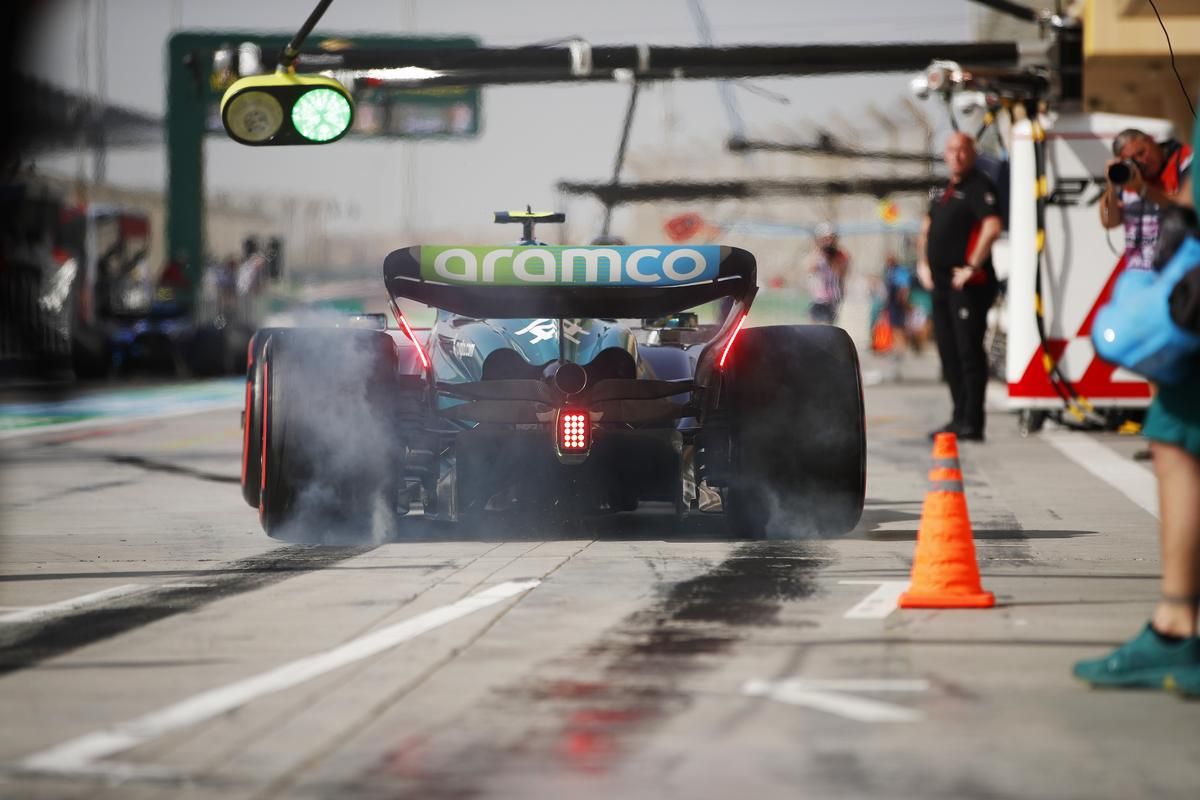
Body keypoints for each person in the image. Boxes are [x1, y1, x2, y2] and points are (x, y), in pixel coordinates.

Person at [1073, 126, 1200, 696]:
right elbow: (1109, 221)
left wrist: (1152, 189)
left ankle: (1176, 624)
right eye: (1123, 159)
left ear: (1151, 145)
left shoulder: (1180, 165)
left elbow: (1187, 209)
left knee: (1177, 439)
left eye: (1137, 154)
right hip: (1158, 286)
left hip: (1183, 286)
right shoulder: (1129, 183)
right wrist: (1116, 187)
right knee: (1169, 426)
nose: (1133, 163)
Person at [917, 132, 1004, 442]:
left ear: (972, 153)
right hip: (940, 285)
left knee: (968, 351)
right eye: (951, 149)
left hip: (968, 285)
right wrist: (923, 265)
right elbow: (926, 229)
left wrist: (971, 267)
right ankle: (957, 416)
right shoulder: (943, 190)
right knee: (949, 353)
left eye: (963, 150)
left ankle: (972, 420)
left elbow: (993, 226)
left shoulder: (980, 187)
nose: (957, 155)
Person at [1098, 128, 1193, 272]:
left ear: (1150, 140)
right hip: (1138, 272)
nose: (1142, 161)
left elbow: (1188, 208)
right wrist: (1112, 184)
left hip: (1178, 270)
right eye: (1133, 159)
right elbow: (1108, 221)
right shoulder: (1128, 177)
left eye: (1142, 152)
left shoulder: (1184, 160)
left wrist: (1143, 190)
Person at [808, 222, 849, 324]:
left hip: (832, 299)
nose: (828, 242)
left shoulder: (840, 255)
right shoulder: (817, 254)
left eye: (830, 238)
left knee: (828, 328)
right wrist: (820, 252)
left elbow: (841, 273)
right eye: (825, 239)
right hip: (818, 298)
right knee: (812, 328)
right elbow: (810, 269)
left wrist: (831, 258)